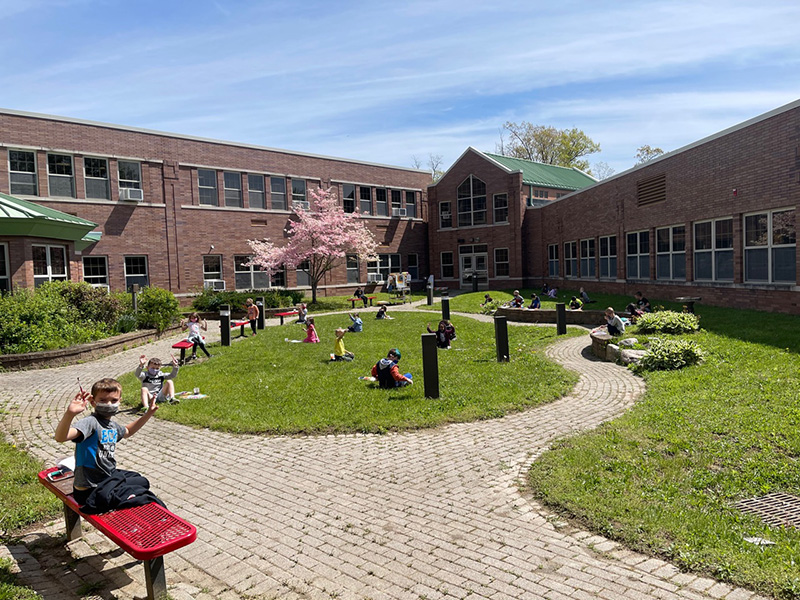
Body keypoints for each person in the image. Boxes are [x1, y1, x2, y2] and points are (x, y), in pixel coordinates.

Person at [54, 378, 165, 513]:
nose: (108, 404)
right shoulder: (91, 422)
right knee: (141, 492)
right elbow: (61, 437)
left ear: (120, 401)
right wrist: (70, 414)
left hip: (107, 479)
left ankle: (122, 492)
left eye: (113, 401)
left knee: (141, 481)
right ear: (93, 402)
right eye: (103, 400)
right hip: (89, 491)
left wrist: (148, 414)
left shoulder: (111, 426)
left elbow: (127, 431)